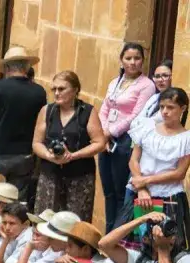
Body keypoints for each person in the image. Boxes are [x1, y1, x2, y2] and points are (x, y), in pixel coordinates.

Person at [115, 88, 190, 249]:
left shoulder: (186, 138)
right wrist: (142, 188)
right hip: (140, 193)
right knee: (129, 246)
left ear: (182, 109)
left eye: (170, 107)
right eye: (162, 106)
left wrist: (146, 180)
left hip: (169, 197)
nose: (165, 111)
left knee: (166, 245)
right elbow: (134, 160)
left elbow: (179, 173)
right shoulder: (147, 127)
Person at [98, 43, 158, 231]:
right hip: (106, 140)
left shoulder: (146, 85)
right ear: (121, 60)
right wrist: (103, 133)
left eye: (137, 58)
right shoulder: (115, 81)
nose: (132, 62)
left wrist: (111, 132)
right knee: (107, 191)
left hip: (125, 142)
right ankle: (108, 233)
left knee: (119, 192)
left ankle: (117, 235)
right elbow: (105, 108)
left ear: (143, 61)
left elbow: (135, 115)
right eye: (128, 58)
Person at [31, 71, 105, 221]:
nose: (57, 93)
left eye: (62, 89)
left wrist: (73, 155)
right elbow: (36, 143)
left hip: (80, 176)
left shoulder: (87, 112)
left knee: (75, 223)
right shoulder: (47, 111)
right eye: (54, 89)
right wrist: (49, 156)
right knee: (45, 220)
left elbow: (99, 142)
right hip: (50, 174)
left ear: (75, 90)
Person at [0, 46, 48, 210]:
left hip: (0, 151)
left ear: (6, 67)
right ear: (26, 67)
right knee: (18, 199)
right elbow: (42, 122)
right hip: (25, 153)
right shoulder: (39, 92)